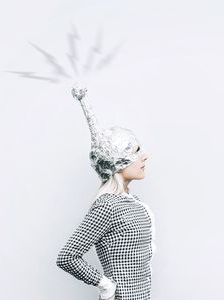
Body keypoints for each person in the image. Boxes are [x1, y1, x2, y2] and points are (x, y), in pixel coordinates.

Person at [56, 86, 155, 300]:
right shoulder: (108, 205)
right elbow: (67, 256)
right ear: (118, 162)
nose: (145, 156)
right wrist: (104, 284)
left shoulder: (132, 202)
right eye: (136, 151)